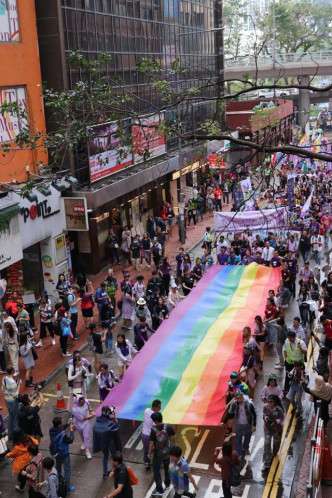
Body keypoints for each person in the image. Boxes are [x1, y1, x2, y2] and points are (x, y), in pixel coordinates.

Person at [222, 390, 256, 460]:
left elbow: (254, 414)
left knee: (248, 438)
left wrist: (254, 425)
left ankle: (246, 448)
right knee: (238, 439)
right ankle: (239, 453)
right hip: (239, 424)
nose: (239, 400)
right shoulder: (234, 404)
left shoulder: (249, 403)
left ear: (243, 396)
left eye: (240, 398)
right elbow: (230, 413)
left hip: (248, 424)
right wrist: (224, 421)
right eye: (237, 398)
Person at [148, 411, 175, 496]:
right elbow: (174, 437)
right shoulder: (169, 427)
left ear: (156, 421)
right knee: (167, 469)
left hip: (158, 454)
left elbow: (151, 443)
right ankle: (167, 484)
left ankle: (159, 489)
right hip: (168, 453)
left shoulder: (153, 430)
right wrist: (174, 447)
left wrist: (149, 452)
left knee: (156, 471)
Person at [93, 407, 123, 480]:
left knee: (105, 456)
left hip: (102, 443)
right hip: (109, 442)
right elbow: (116, 426)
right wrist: (114, 417)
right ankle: (116, 470)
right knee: (114, 455)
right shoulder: (109, 423)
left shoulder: (98, 420)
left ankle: (105, 472)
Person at [49, 417, 75, 494]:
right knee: (67, 471)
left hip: (56, 453)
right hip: (64, 454)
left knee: (58, 469)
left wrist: (67, 424)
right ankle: (67, 488)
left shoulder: (51, 430)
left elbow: (60, 429)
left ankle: (59, 482)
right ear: (59, 425)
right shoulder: (63, 436)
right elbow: (70, 440)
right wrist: (71, 430)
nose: (63, 422)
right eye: (62, 422)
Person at [262, 395, 285, 470]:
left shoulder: (279, 410)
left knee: (276, 443)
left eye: (271, 402)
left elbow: (282, 418)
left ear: (274, 402)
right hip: (267, 428)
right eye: (268, 401)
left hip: (277, 429)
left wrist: (275, 422)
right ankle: (267, 460)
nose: (269, 403)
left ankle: (274, 452)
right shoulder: (265, 407)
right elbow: (264, 414)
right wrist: (265, 417)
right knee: (267, 443)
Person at [2, 366, 22, 440]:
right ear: (13, 371)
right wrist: (19, 385)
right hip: (13, 402)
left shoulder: (4, 378)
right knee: (15, 419)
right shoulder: (13, 383)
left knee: (11, 416)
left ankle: (10, 435)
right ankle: (16, 438)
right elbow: (16, 395)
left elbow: (3, 389)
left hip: (7, 400)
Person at [72, 395, 95, 459]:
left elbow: (89, 407)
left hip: (87, 422)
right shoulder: (75, 409)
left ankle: (87, 451)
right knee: (82, 435)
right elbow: (81, 419)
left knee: (86, 436)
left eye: (83, 400)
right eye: (81, 402)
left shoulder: (86, 402)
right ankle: (83, 442)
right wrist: (91, 416)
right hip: (78, 424)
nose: (83, 402)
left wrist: (91, 411)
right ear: (77, 402)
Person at [141, 399, 161, 470]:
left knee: (146, 450)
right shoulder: (154, 416)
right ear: (156, 407)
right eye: (159, 407)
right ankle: (156, 462)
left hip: (144, 434)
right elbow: (156, 425)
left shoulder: (146, 410)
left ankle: (147, 462)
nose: (160, 408)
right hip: (150, 436)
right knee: (155, 449)